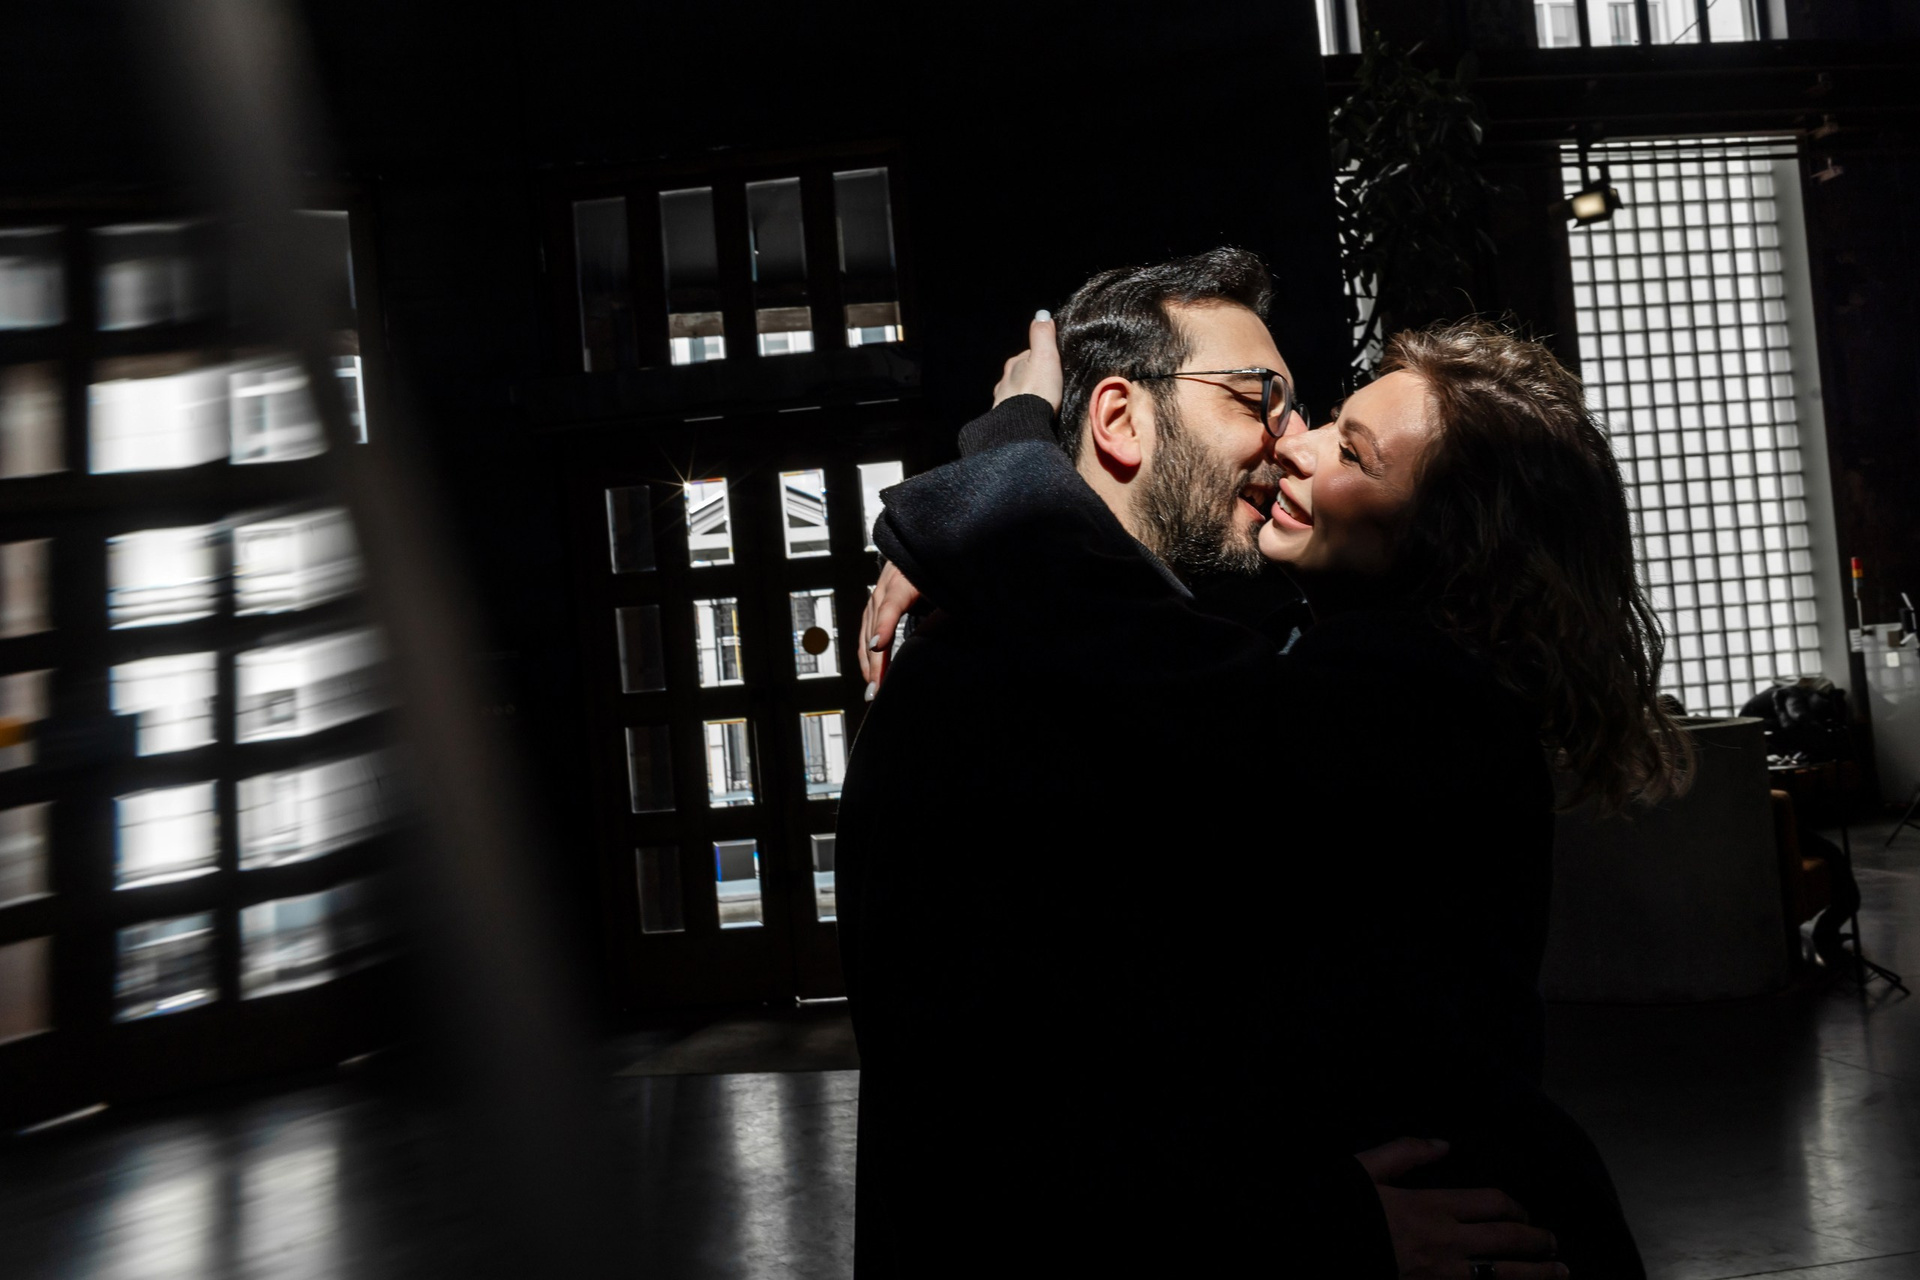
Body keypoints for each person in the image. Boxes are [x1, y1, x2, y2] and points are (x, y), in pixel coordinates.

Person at [835, 249, 1573, 1279]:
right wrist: (1314, 1222)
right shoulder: (985, 692)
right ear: (1120, 418)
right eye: (1260, 396)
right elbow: (989, 1126)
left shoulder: (1328, 686)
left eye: (1332, 434)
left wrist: (989, 495)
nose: (1291, 439)